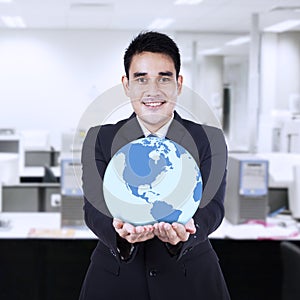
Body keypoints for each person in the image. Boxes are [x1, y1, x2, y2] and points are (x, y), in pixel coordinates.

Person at [79, 31, 230, 300]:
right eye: (141, 79)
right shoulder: (99, 139)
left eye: (164, 78)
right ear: (126, 85)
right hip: (116, 281)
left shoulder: (209, 139)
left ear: (179, 84)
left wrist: (186, 233)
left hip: (191, 280)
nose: (153, 91)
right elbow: (94, 209)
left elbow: (213, 207)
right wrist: (120, 235)